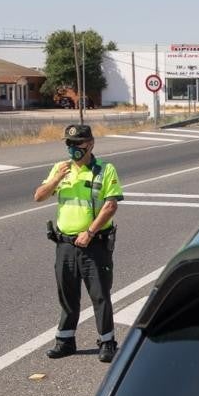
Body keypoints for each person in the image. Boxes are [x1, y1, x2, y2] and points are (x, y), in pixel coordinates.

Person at [33, 124, 124, 363]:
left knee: (100, 295)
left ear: (90, 144)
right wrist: (56, 179)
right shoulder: (60, 169)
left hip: (93, 245)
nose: (72, 148)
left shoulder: (105, 170)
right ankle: (65, 341)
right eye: (69, 144)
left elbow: (111, 205)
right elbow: (39, 196)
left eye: (78, 144)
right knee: (67, 295)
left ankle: (107, 341)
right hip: (65, 244)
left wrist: (90, 232)